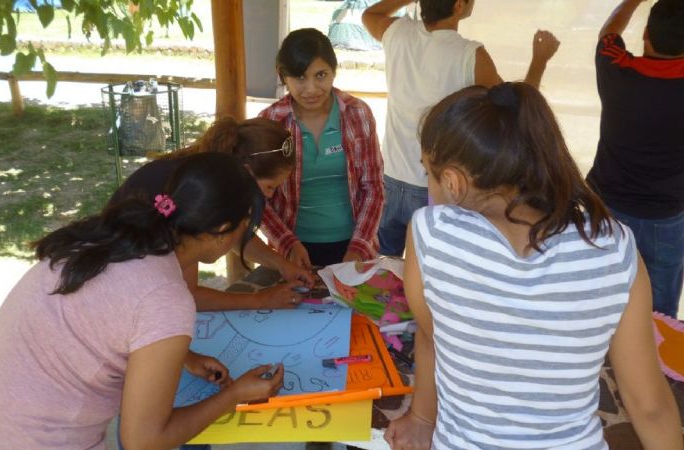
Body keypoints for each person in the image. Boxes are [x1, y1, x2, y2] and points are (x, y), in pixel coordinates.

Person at [385, 83, 682, 450]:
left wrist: (422, 418)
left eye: (428, 171)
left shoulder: (431, 234)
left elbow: (434, 336)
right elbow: (650, 407)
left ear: (453, 183)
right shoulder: (613, 246)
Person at [0, 153, 285, 449]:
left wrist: (185, 356)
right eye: (243, 227)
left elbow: (104, 322)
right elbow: (144, 441)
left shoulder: (108, 238)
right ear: (223, 228)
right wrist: (234, 396)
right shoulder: (164, 297)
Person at [362, 0, 560, 257]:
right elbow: (517, 111)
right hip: (435, 186)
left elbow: (370, 13)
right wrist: (539, 61)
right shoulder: (470, 54)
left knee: (383, 270)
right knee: (431, 271)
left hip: (389, 178)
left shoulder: (397, 32)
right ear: (458, 6)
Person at [110, 117, 316, 311]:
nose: (269, 197)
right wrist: (260, 300)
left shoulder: (209, 177)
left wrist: (282, 264)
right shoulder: (195, 193)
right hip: (119, 300)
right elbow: (188, 296)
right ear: (247, 172)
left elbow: (236, 235)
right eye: (270, 186)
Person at [586, 0, 684, 318]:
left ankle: (606, 363)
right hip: (668, 215)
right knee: (661, 311)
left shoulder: (615, 68)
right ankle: (658, 367)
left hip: (608, 209)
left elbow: (608, 33)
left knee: (602, 297)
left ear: (645, 34)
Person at [259, 28, 385, 268]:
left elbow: (374, 187)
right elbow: (259, 197)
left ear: (334, 72)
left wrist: (358, 249)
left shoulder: (358, 114)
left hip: (354, 245)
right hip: (294, 251)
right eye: (300, 78)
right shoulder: (270, 122)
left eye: (320, 75)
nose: (311, 89)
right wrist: (286, 243)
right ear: (283, 76)